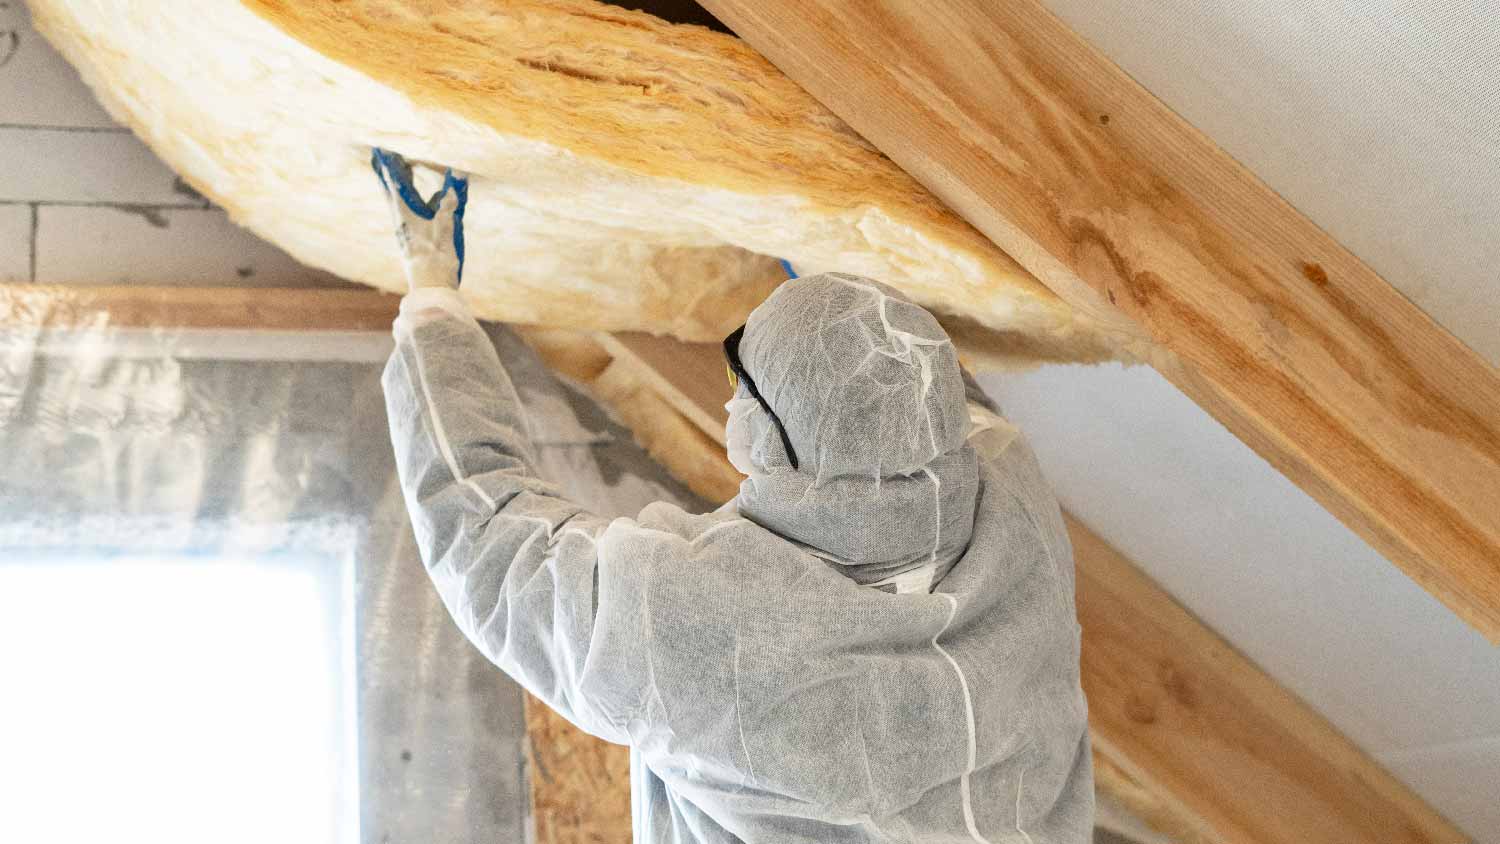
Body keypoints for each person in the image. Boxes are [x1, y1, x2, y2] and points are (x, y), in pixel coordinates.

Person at [373, 149, 1093, 843]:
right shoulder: (1014, 497)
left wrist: (432, 297)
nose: (729, 404)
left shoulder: (698, 630)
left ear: (768, 435)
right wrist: (838, 303)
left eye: (740, 385)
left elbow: (486, 536)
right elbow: (927, 402)